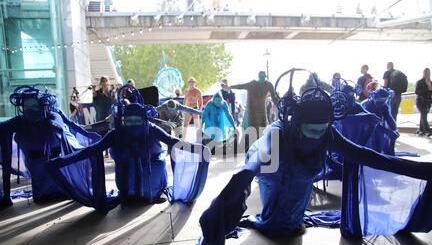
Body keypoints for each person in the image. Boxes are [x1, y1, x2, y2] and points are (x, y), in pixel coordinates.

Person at [191, 70, 432, 245]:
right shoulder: (279, 134)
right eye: (311, 129)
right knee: (270, 213)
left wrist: (429, 171)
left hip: (301, 179)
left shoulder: (327, 132)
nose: (317, 135)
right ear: (298, 121)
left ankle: (288, 219)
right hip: (274, 172)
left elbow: (367, 157)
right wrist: (217, 210)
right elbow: (248, 170)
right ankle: (276, 219)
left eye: (322, 129)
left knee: (292, 211)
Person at [47, 86, 210, 212]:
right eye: (129, 121)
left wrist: (197, 149)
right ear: (123, 119)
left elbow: (173, 141)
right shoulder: (117, 133)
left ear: (144, 118)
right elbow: (91, 150)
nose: (133, 125)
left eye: (136, 120)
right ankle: (133, 194)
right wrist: (62, 161)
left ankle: (156, 192)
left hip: (153, 183)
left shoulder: (151, 129)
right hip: (127, 186)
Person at [0, 86, 101, 208]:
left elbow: (70, 124)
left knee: (60, 184)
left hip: (56, 159)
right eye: (27, 107)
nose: (32, 110)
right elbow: (4, 130)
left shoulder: (53, 115)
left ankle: (63, 190)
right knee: (43, 189)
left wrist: (87, 134)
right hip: (36, 163)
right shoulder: (20, 122)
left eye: (34, 106)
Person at [230, 71, 279, 136]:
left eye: (263, 77)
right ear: (258, 77)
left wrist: (279, 105)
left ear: (265, 77)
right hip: (252, 110)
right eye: (260, 77)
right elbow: (241, 86)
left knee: (262, 127)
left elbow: (274, 96)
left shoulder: (269, 84)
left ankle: (260, 142)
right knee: (252, 128)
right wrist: (230, 87)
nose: (262, 78)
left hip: (262, 109)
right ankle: (251, 141)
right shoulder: (253, 84)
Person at [415, 68, 432, 137]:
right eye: (426, 73)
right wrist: (426, 90)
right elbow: (416, 91)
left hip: (427, 101)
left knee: (423, 115)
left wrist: (429, 86)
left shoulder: (430, 82)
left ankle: (421, 130)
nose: (427, 74)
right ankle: (427, 130)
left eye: (428, 73)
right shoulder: (419, 82)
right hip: (420, 101)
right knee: (424, 115)